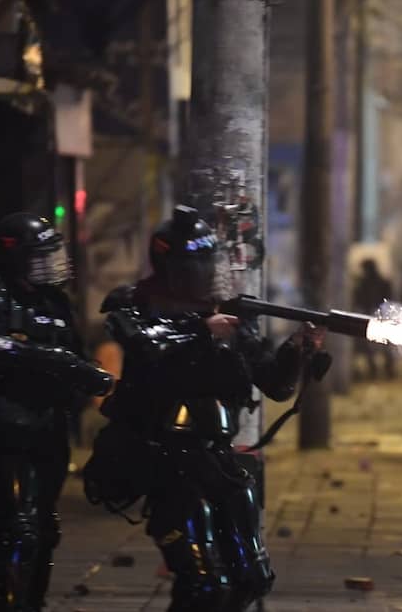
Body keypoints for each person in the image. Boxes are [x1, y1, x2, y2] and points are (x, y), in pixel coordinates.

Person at [84, 205, 325, 611]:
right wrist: (200, 330)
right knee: (203, 584)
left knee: (251, 578)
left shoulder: (228, 314)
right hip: (164, 459)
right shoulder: (135, 303)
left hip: (215, 460)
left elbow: (275, 384)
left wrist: (298, 348)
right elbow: (146, 343)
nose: (204, 273)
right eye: (194, 264)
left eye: (208, 262)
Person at [0, 212, 114, 612]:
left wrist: (92, 379)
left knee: (44, 528)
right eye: (40, 254)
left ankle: (34, 602)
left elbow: (76, 354)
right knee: (18, 528)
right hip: (9, 423)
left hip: (51, 424)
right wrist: (57, 360)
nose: (51, 261)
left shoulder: (56, 300)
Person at [352, 258, 395, 378]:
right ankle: (380, 369)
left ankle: (383, 369)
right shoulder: (371, 282)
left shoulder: (369, 283)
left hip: (377, 315)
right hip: (374, 314)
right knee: (376, 346)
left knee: (381, 345)